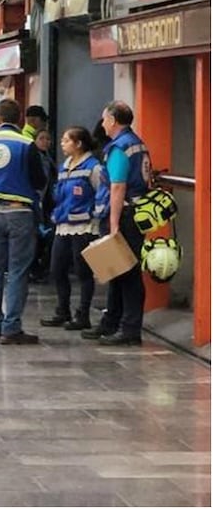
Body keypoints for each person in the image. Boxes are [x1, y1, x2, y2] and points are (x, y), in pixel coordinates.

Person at [0, 98, 47, 345]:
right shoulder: (27, 144)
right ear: (19, 119)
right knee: (17, 271)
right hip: (21, 213)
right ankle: (11, 327)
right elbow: (39, 181)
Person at [82, 101, 150, 346]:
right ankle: (111, 322)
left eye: (104, 119)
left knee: (127, 273)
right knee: (116, 271)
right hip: (133, 213)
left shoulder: (120, 147)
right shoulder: (135, 143)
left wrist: (113, 225)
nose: (102, 124)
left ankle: (129, 329)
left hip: (123, 215)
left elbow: (118, 186)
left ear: (113, 120)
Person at [40, 126, 105, 331]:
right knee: (57, 269)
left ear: (79, 144)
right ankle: (63, 311)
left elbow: (102, 193)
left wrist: (95, 215)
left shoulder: (93, 167)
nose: (62, 144)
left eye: (66, 140)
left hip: (84, 226)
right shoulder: (65, 166)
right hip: (63, 224)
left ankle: (83, 315)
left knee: (83, 271)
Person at [29, 129, 57, 283]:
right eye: (41, 138)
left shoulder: (48, 158)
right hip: (36, 201)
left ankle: (41, 267)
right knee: (36, 237)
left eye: (48, 138)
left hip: (47, 203)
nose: (45, 141)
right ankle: (34, 268)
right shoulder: (35, 158)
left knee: (46, 236)